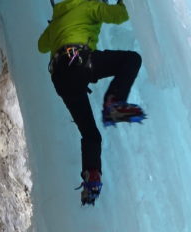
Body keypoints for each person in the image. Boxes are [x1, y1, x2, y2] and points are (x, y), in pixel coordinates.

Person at [38, 0, 145, 205]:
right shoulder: (89, 6)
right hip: (79, 63)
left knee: (90, 134)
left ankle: (91, 179)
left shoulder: (59, 19)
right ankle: (114, 104)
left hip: (61, 79)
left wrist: (55, 25)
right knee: (132, 60)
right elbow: (120, 15)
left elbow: (41, 46)